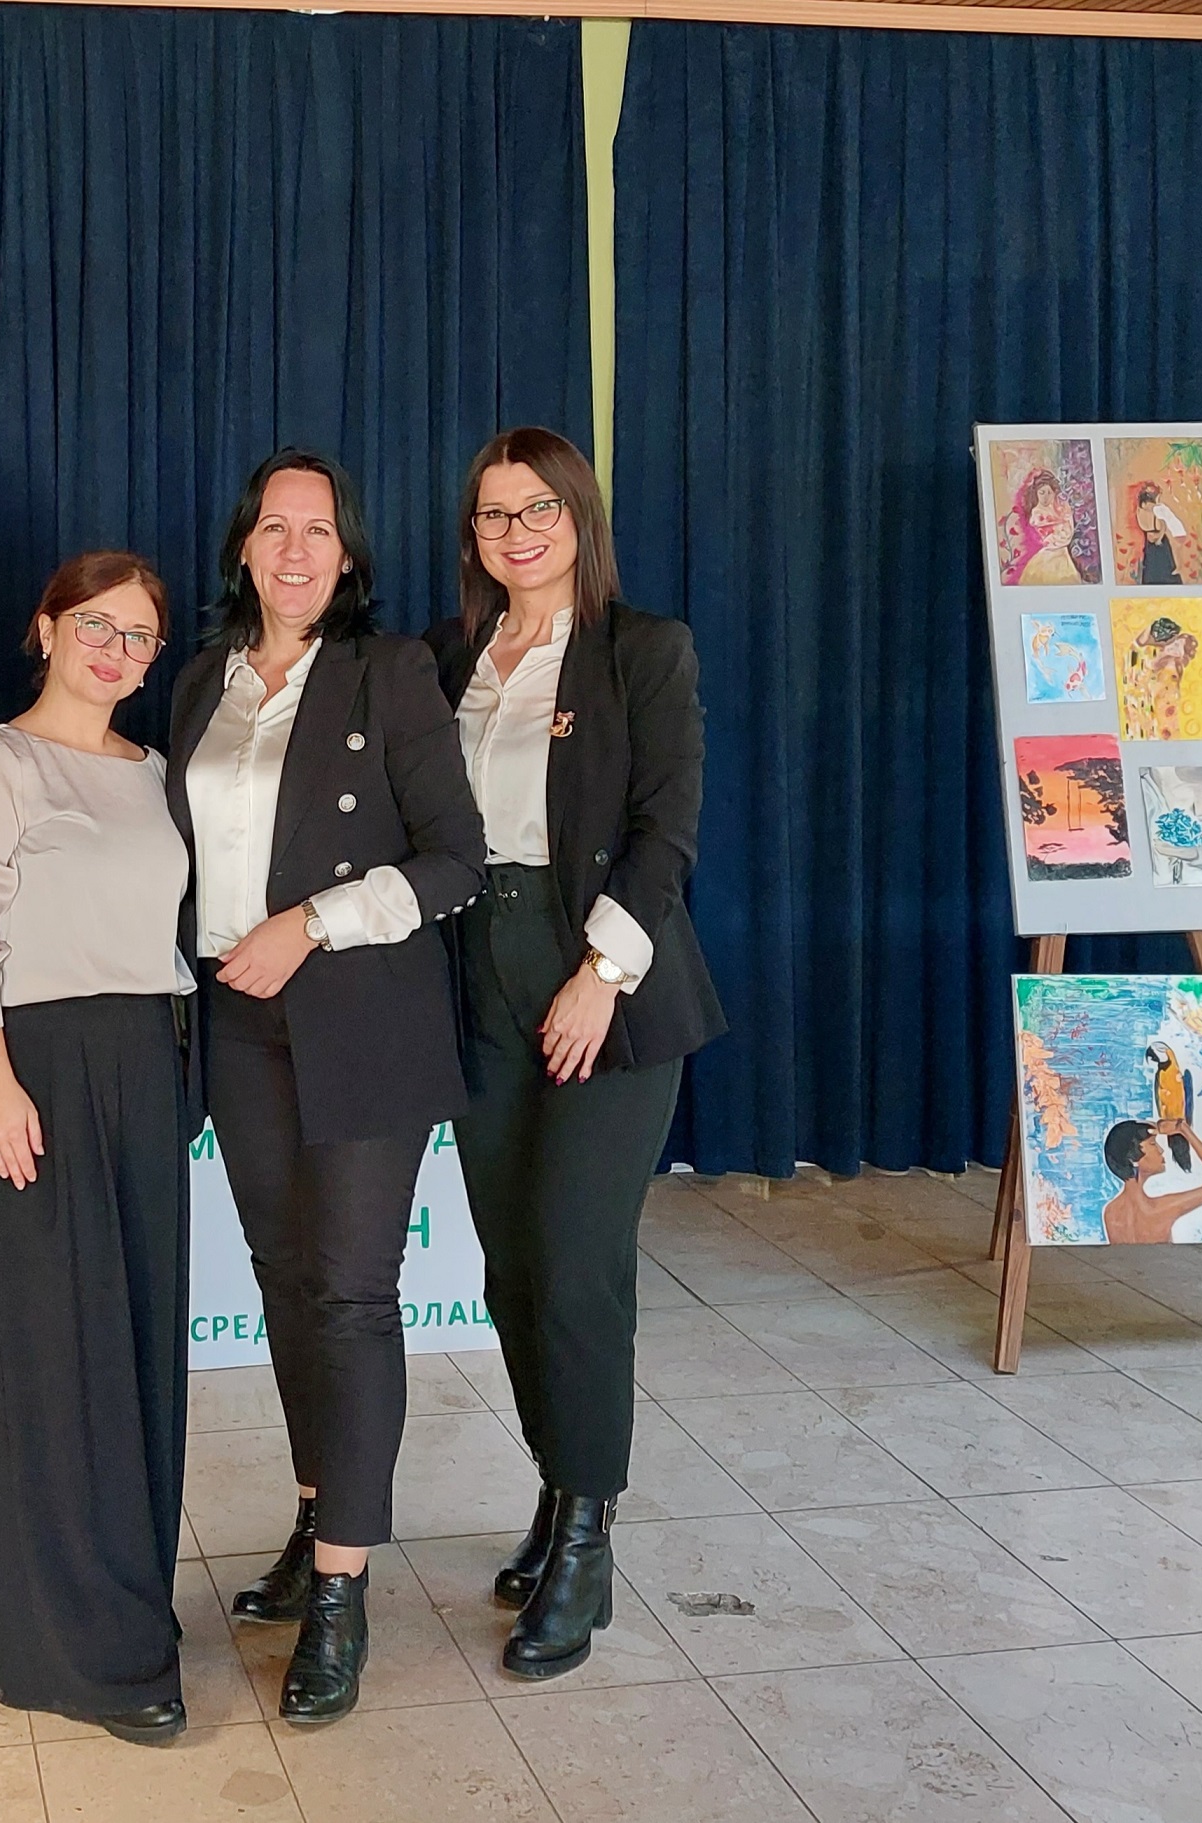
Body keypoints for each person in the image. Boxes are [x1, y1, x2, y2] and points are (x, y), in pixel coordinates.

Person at [167, 450, 484, 1723]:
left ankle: (343, 1590)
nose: (293, 550)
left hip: (362, 1020)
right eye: (272, 528)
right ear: (242, 546)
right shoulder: (198, 681)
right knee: (285, 1281)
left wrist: (308, 923)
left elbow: (454, 859)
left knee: (351, 1293)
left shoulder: (388, 670)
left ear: (346, 553)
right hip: (234, 1022)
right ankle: (314, 1514)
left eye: (318, 530)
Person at [425, 427, 725, 1681]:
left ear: (578, 515)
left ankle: (589, 1537)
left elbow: (665, 828)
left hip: (607, 984)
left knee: (577, 1263)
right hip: (477, 985)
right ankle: (557, 1491)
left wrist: (598, 974)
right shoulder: (447, 658)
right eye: (493, 515)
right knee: (510, 1269)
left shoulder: (640, 648)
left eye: (537, 508)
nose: (516, 533)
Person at [0, 552, 194, 1747]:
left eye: (139, 636)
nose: (115, 650)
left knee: (136, 1345)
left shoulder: (153, 771)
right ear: (45, 627)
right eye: (95, 623)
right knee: (50, 1351)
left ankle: (132, 1610)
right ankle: (64, 1647)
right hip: (31, 1066)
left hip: (144, 1061)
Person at [1101, 1118, 1202, 1244]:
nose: (1161, 1150)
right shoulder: (1160, 1209)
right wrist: (1184, 1130)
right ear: (1132, 1158)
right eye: (1153, 1144)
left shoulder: (1110, 1212)